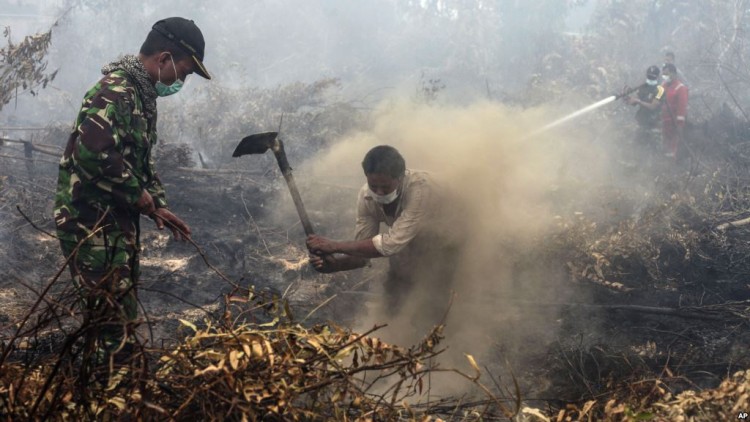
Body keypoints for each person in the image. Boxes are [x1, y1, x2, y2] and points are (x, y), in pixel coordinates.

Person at [53, 17, 210, 383]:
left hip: (112, 221)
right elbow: (93, 155)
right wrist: (138, 196)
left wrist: (158, 203)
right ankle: (103, 393)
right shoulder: (116, 92)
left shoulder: (140, 95)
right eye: (184, 73)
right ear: (165, 58)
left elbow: (138, 160)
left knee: (120, 307)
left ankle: (114, 385)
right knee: (108, 318)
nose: (182, 82)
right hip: (89, 223)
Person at [306, 146, 461, 332]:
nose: (378, 193)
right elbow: (361, 255)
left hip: (448, 233)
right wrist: (335, 265)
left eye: (385, 187)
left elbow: (389, 246)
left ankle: (434, 337)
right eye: (373, 186)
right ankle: (391, 336)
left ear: (400, 178)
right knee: (396, 286)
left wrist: (333, 246)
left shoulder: (421, 190)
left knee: (435, 290)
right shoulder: (366, 197)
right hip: (404, 234)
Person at [626, 65, 664, 149]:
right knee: (636, 148)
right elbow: (635, 102)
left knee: (652, 151)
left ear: (657, 77)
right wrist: (628, 99)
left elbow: (652, 106)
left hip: (654, 125)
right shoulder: (643, 87)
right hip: (642, 123)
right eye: (649, 76)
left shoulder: (660, 90)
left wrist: (638, 101)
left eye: (652, 77)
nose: (650, 79)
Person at [661, 63, 688, 158]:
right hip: (663, 122)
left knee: (673, 147)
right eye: (663, 74)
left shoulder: (681, 88)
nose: (665, 77)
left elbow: (682, 108)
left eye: (667, 74)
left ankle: (671, 166)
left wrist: (679, 125)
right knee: (663, 146)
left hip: (674, 123)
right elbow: (656, 100)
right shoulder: (663, 86)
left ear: (674, 74)